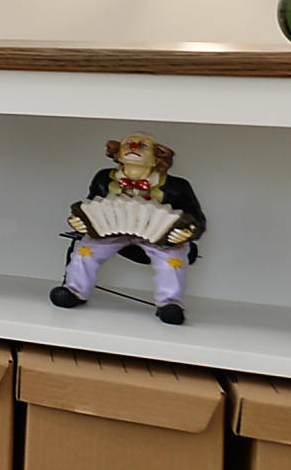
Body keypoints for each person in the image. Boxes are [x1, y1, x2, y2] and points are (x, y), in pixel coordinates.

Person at [51, 132, 204, 325]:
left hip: (158, 237)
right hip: (111, 231)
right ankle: (74, 290)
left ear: (158, 156)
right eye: (128, 144)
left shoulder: (178, 186)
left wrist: (187, 231)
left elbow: (197, 219)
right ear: (117, 154)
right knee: (85, 251)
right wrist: (83, 223)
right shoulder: (103, 178)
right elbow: (91, 206)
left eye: (143, 146)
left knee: (172, 261)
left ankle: (170, 303)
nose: (134, 148)